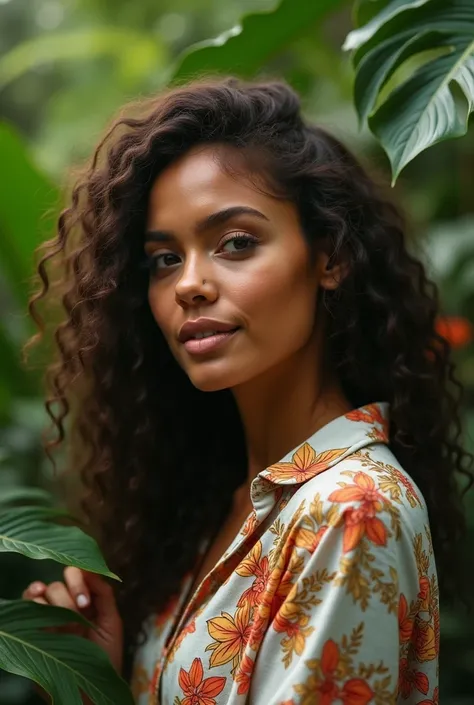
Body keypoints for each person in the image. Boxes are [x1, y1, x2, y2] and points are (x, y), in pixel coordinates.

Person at [22, 76, 472, 705]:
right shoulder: (226, 502)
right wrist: (95, 679)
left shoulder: (349, 511)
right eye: (164, 260)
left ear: (329, 259)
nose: (190, 285)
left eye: (236, 243)